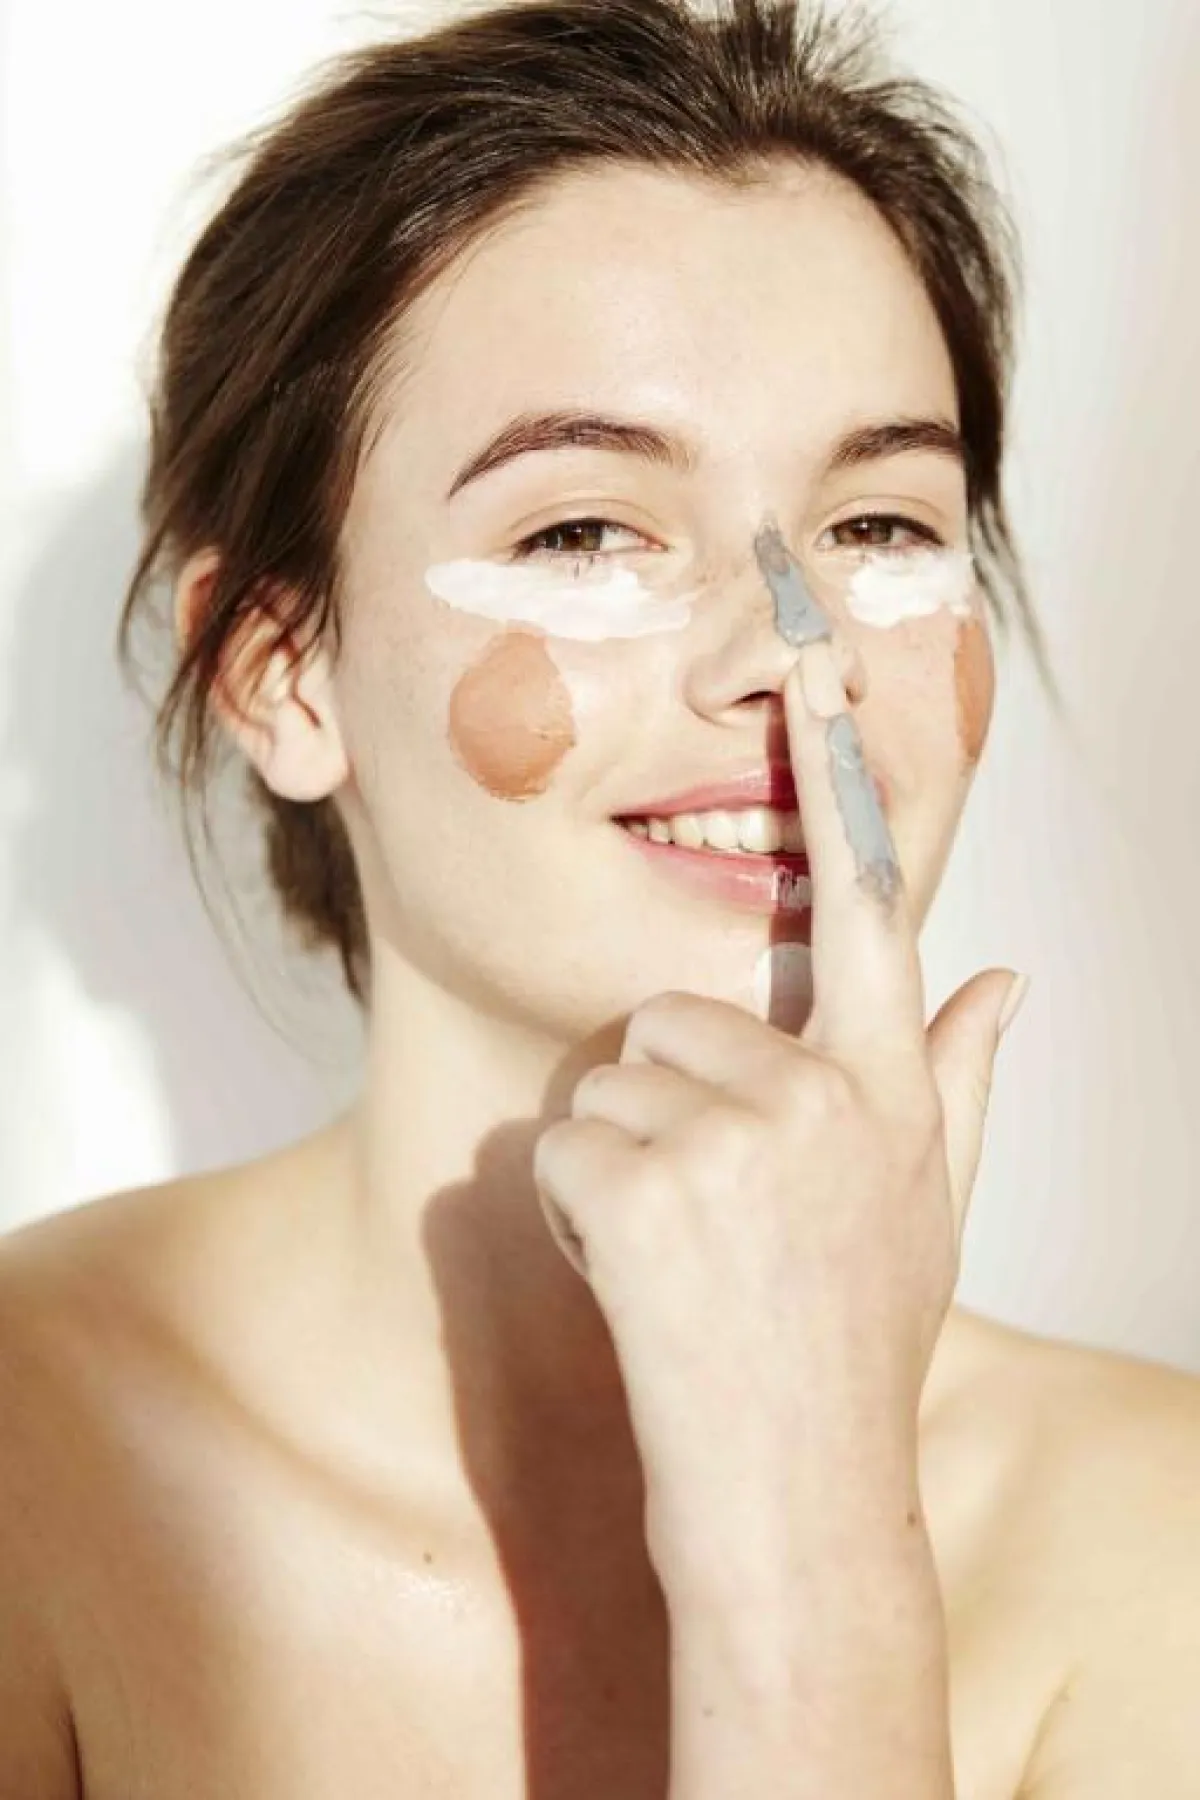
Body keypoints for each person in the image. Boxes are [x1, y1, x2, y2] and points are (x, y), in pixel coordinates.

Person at [2, 1, 1198, 1793]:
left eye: (878, 525)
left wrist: (811, 1537)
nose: (791, 658)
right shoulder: (44, 1462)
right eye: (585, 531)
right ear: (278, 671)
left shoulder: (1157, 1542)